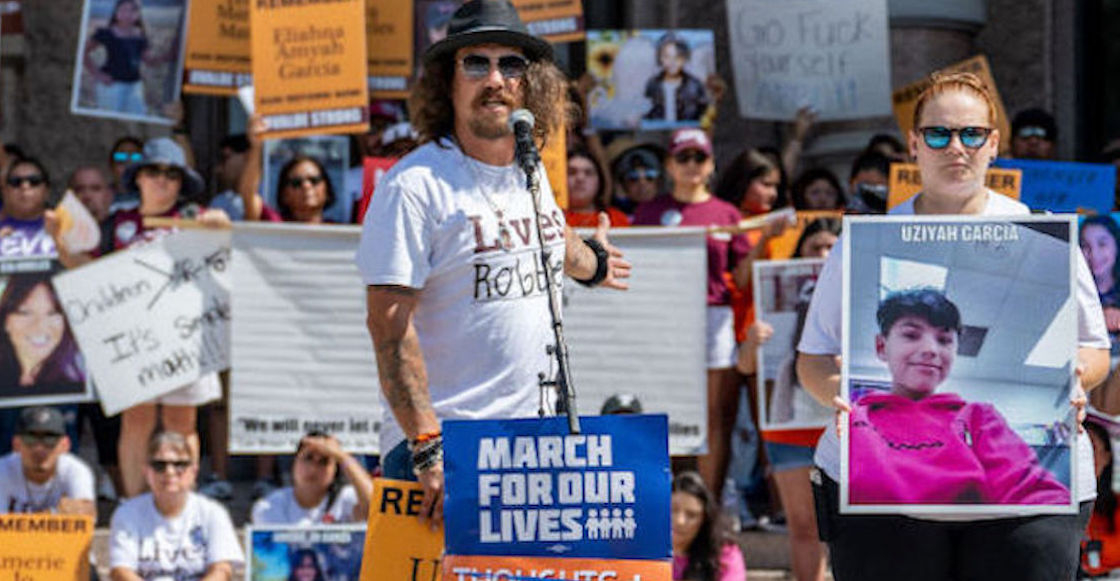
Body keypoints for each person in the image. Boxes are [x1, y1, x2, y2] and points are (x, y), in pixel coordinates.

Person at [796, 71, 1110, 581]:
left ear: (994, 144)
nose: (956, 148)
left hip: (1026, 514)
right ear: (914, 144)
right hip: (883, 505)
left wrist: (1074, 378)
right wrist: (837, 392)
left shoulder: (1043, 235)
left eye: (972, 134)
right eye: (939, 134)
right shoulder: (864, 240)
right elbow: (812, 358)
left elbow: (1093, 349)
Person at [358, 0, 629, 528]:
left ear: (531, 83)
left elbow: (548, 233)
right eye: (476, 63)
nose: (496, 80)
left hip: (530, 447)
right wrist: (427, 446)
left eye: (511, 65)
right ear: (447, 81)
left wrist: (592, 262)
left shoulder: (528, 169)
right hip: (443, 451)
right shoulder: (415, 186)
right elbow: (388, 327)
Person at [49, 137, 229, 499]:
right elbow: (88, 271)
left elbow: (225, 235)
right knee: (135, 422)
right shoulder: (117, 223)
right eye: (154, 171)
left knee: (182, 422)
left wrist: (219, 222)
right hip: (135, 341)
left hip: (186, 337)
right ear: (139, 178)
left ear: (181, 182)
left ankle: (181, 501)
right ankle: (133, 502)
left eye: (171, 174)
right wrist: (59, 242)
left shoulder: (193, 217)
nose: (162, 179)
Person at [852, 288, 1070, 504]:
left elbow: (1033, 491)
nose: (931, 349)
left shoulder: (979, 418)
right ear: (881, 346)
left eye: (944, 340)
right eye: (911, 335)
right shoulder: (853, 420)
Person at [634, 128, 750, 499]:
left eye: (699, 157)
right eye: (683, 157)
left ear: (711, 164)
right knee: (662, 410)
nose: (691, 165)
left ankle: (708, 505)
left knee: (712, 415)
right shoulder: (650, 212)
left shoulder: (727, 213)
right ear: (669, 165)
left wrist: (763, 241)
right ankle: (664, 501)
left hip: (712, 317)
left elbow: (742, 278)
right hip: (664, 319)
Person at [735, 217, 839, 581]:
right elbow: (745, 366)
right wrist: (752, 343)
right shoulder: (770, 296)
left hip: (842, 429)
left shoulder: (857, 296)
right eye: (815, 247)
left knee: (851, 528)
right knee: (803, 526)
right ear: (800, 253)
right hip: (790, 433)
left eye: (831, 248)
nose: (823, 255)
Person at [109, 431, 243, 581]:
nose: (170, 472)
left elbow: (222, 569)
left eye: (180, 465)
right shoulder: (127, 513)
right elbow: (121, 571)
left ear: (194, 471)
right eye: (159, 465)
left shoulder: (213, 512)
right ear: (146, 471)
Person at [252, 432, 373, 525]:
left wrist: (342, 456)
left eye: (324, 462)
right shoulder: (269, 506)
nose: (313, 468)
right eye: (308, 458)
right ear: (294, 463)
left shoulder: (346, 499)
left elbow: (375, 509)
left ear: (335, 471)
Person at [0, 406, 94, 516]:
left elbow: (87, 513)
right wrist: (55, 514)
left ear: (65, 445)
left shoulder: (76, 470)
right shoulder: (3, 470)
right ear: (16, 444)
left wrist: (80, 508)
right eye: (30, 439)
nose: (39, 448)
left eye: (50, 439)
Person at [0, 274, 83, 396]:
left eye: (52, 313)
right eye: (25, 313)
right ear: (5, 322)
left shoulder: (82, 379)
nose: (40, 326)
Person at [82, 0, 167, 116]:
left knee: (138, 116)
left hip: (135, 86)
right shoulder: (106, 33)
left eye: (132, 10)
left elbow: (148, 61)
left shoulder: (141, 35)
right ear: (116, 13)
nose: (127, 14)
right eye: (123, 10)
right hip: (111, 86)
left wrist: (167, 56)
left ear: (138, 14)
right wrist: (98, 74)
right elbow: (83, 52)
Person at [236, 115, 327, 223]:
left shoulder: (339, 227)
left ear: (327, 190)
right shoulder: (274, 221)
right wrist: (256, 146)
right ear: (284, 195)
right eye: (296, 183)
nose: (306, 186)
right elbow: (248, 196)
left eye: (314, 180)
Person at [671, 471, 746, 581]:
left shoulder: (724, 555)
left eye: (691, 515)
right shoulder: (645, 551)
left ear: (704, 520)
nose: (679, 521)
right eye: (672, 510)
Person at [1081, 413, 1120, 577]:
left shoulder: (1116, 503)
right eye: (1080, 452)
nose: (1084, 459)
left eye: (1092, 449)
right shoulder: (1052, 503)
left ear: (1107, 457)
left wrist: (1091, 547)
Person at [644, 32, 709, 123]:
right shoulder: (652, 84)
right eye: (667, 56)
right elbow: (648, 112)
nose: (672, 62)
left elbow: (704, 114)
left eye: (677, 57)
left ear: (684, 58)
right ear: (660, 58)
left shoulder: (695, 85)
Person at [0, 158, 57, 259]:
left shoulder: (64, 226)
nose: (25, 187)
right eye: (16, 182)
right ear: (5, 192)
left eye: (34, 181)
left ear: (47, 191)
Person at [1081, 215, 1120, 355]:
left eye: (1102, 244)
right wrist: (1098, 320)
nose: (1094, 254)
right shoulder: (1070, 292)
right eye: (1085, 246)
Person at [566, 146, 628, 228]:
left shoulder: (616, 218)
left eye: (588, 173)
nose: (580, 178)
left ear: (600, 181)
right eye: (571, 172)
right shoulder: (551, 219)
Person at [845, 149, 891, 214]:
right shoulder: (845, 214)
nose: (870, 193)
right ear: (852, 185)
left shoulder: (900, 214)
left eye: (876, 186)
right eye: (864, 185)